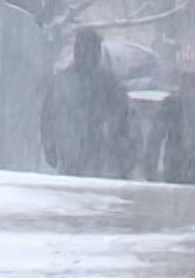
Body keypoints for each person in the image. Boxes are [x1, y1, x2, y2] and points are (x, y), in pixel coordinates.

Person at [41, 28, 135, 178]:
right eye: (84, 48)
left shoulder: (108, 83)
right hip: (83, 154)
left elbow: (124, 121)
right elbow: (48, 118)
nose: (87, 53)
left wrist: (50, 147)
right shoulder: (108, 83)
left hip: (92, 154)